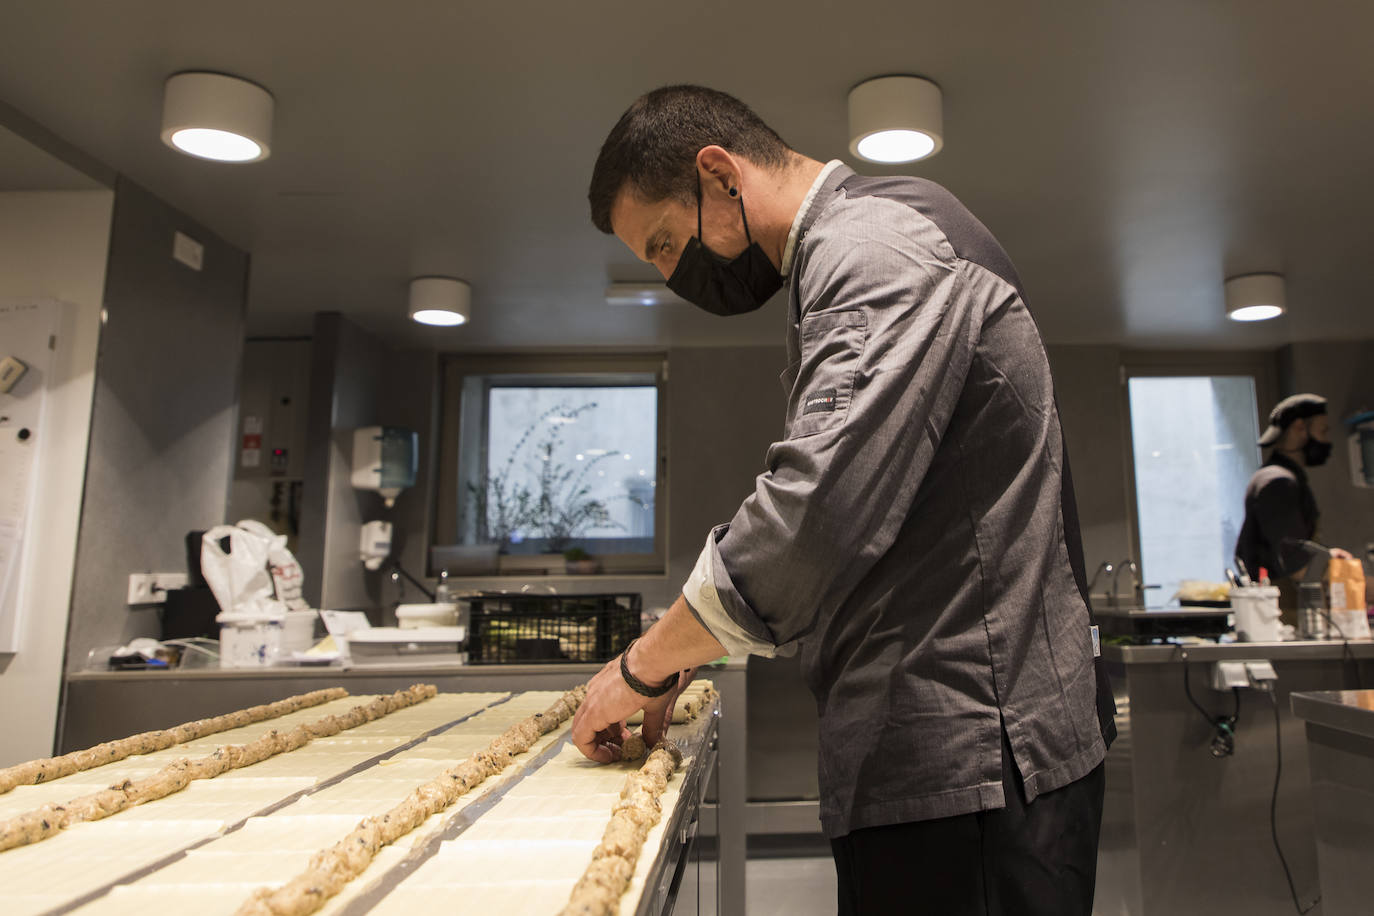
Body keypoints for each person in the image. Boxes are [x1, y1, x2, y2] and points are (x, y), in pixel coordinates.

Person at [572, 85, 1115, 915]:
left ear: (719, 175)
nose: (678, 275)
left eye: (668, 244)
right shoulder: (850, 252)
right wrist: (694, 643)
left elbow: (814, 518)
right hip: (946, 756)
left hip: (970, 759)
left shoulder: (874, 251)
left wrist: (646, 664)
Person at [1235, 393, 1353, 613]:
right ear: (1300, 428)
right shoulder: (1277, 482)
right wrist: (1359, 582)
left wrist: (1327, 555)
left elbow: (1292, 545)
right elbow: (1296, 565)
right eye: (1323, 431)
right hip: (1282, 610)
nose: (1326, 441)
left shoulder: (1275, 477)